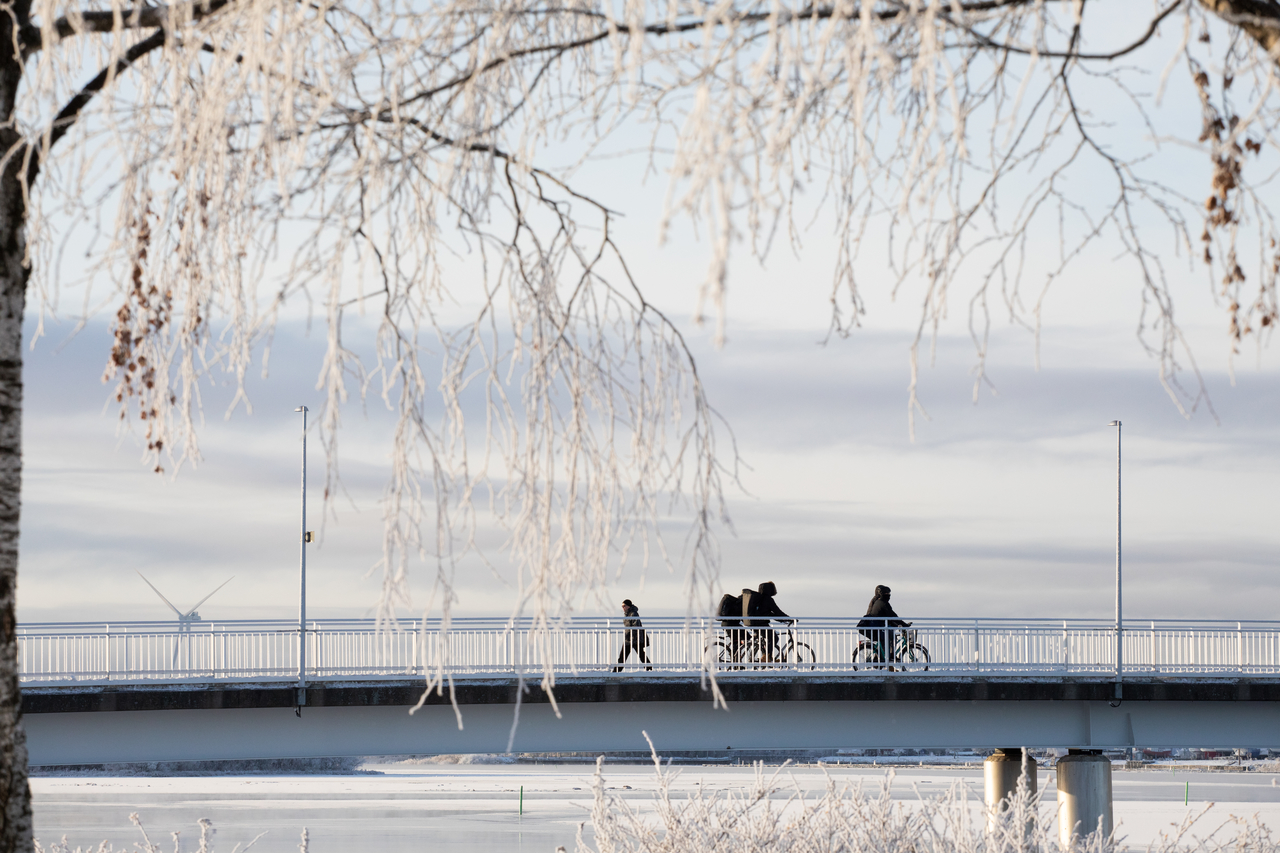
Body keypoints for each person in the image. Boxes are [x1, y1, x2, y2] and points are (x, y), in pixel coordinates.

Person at [857, 584, 910, 668]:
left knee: (891, 637)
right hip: (877, 626)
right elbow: (892, 615)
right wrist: (904, 625)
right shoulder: (882, 603)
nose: (888, 595)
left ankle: (888, 657)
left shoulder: (878, 601)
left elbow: (890, 617)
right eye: (887, 593)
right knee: (888, 638)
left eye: (889, 593)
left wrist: (899, 624)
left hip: (877, 625)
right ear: (882, 594)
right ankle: (885, 659)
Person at [745, 581, 792, 662]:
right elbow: (777, 612)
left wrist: (782, 619)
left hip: (753, 623)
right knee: (774, 638)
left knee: (769, 638)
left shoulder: (759, 599)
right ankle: (766, 657)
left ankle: (768, 657)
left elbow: (771, 614)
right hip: (761, 624)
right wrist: (789, 619)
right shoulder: (768, 600)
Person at [612, 599, 651, 671]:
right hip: (630, 638)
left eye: (624, 606)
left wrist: (631, 637)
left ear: (628, 606)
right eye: (622, 606)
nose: (623, 608)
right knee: (635, 655)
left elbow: (635, 626)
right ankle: (649, 668)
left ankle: (616, 671)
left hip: (634, 639)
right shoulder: (627, 614)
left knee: (626, 655)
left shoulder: (633, 614)